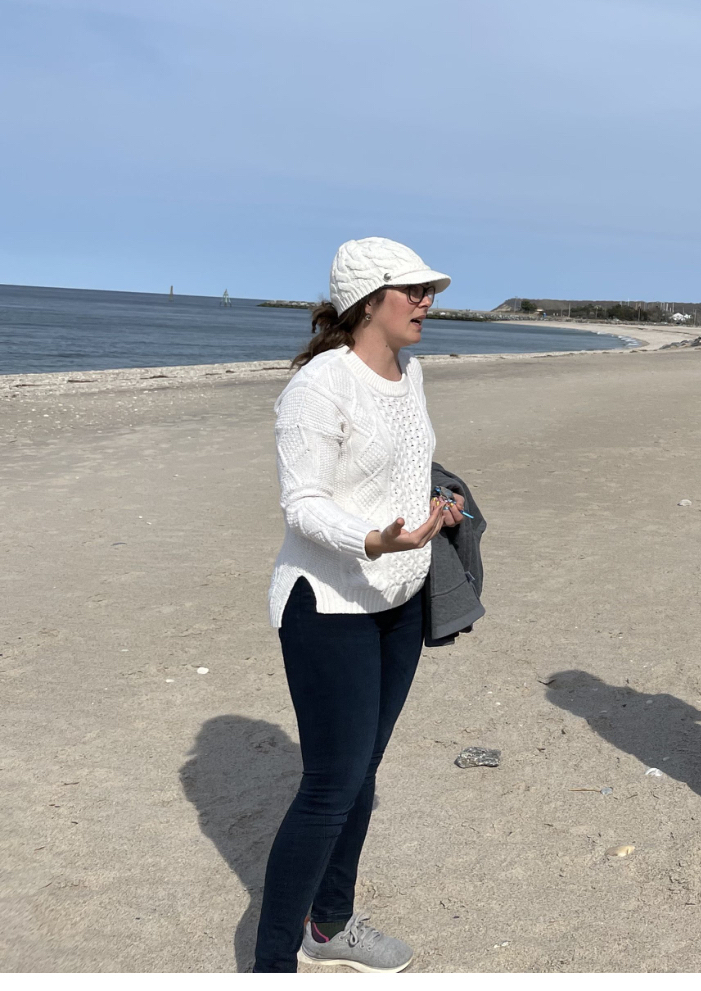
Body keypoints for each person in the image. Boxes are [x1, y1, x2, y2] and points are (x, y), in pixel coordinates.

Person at [252, 237, 465, 974]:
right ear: (369, 301)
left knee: (362, 771)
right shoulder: (318, 387)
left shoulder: (412, 372)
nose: (427, 301)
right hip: (328, 603)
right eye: (414, 289)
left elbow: (403, 468)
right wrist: (373, 539)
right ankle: (270, 966)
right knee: (329, 787)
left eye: (430, 290)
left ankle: (330, 923)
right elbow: (303, 504)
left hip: (399, 600)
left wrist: (436, 507)